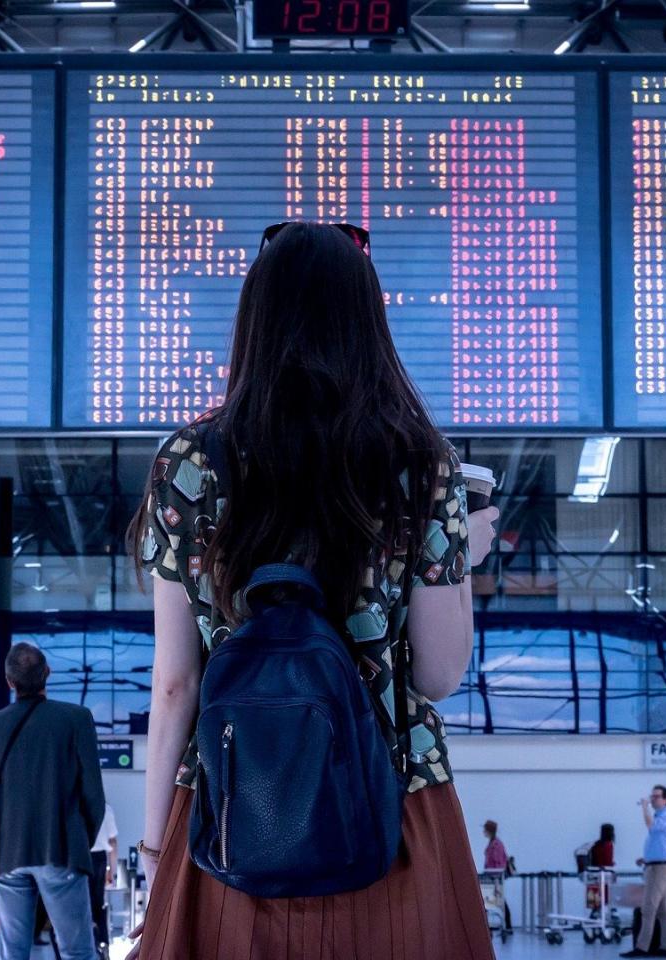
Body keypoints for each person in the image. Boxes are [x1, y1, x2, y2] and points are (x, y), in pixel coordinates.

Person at [125, 222, 502, 960]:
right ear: (368, 321)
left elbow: (175, 684)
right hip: (393, 805)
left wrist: (151, 844)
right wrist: (458, 561)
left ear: (254, 320)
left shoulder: (189, 461)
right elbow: (438, 673)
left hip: (234, 807)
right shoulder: (422, 463)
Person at [0, 642, 105, 960]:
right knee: (77, 950)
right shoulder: (76, 719)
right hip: (62, 848)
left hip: (5, 852)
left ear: (9, 681)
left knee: (12, 951)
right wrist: (81, 838)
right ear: (48, 674)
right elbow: (93, 794)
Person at [622, 784, 666, 959]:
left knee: (648, 908)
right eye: (651, 796)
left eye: (656, 797)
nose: (652, 799)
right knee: (662, 911)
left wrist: (644, 808)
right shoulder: (661, 816)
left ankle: (642, 947)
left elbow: (651, 827)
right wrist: (646, 858)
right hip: (655, 865)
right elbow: (661, 844)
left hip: (660, 869)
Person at [88, 805, 119, 952]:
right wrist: (111, 871)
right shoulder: (105, 808)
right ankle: (102, 943)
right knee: (98, 902)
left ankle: (88, 942)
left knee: (82, 902)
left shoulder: (74, 803)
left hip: (77, 857)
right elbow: (113, 841)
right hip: (99, 859)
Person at [482, 821, 512, 932]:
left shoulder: (496, 844)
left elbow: (499, 862)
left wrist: (493, 874)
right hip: (492, 876)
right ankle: (505, 925)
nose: (483, 832)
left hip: (495, 877)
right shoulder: (492, 843)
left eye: (485, 830)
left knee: (498, 899)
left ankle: (507, 925)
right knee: (496, 899)